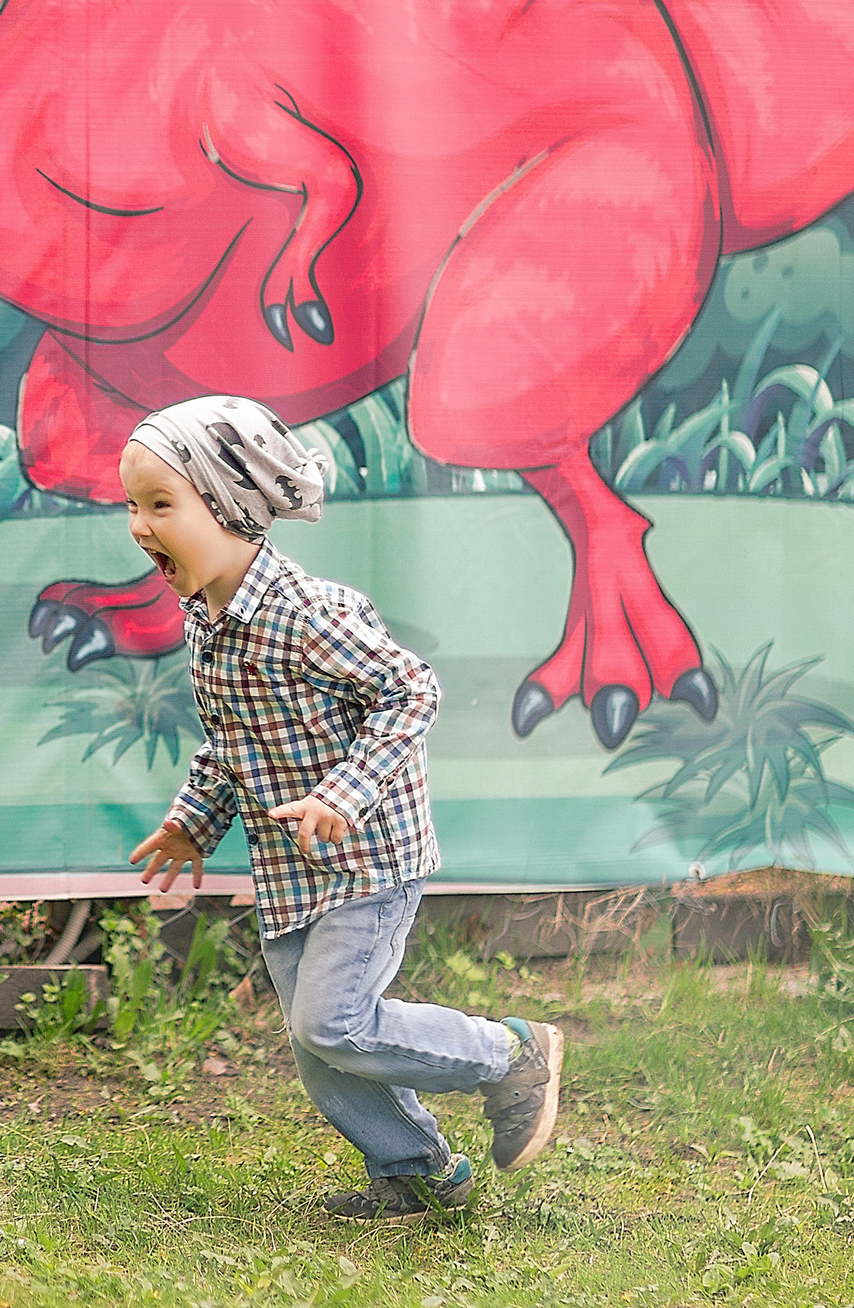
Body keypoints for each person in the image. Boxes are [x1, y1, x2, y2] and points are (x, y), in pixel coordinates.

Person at [120, 395, 562, 1225]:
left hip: (366, 856)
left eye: (160, 504)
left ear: (230, 506)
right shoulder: (205, 622)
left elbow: (410, 690)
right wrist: (193, 820)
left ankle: (511, 1053)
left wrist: (342, 794)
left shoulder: (302, 612)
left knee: (333, 1019)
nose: (139, 526)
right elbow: (232, 740)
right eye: (133, 505)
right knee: (319, 1047)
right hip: (291, 870)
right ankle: (420, 1171)